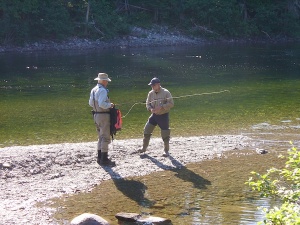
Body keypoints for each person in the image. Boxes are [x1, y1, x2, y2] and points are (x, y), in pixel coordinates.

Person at [138, 77, 174, 156]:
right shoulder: (150, 93)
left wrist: (161, 106)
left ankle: (166, 150)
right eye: (151, 85)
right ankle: (143, 148)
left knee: (165, 133)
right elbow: (147, 104)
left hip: (163, 116)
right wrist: (150, 109)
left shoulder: (166, 92)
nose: (152, 87)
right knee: (146, 130)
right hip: (154, 116)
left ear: (158, 84)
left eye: (154, 85)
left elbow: (171, 104)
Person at [89, 73, 115, 166]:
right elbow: (102, 104)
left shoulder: (93, 89)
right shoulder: (102, 90)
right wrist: (110, 105)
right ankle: (104, 159)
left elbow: (90, 103)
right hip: (103, 115)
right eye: (107, 81)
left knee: (100, 136)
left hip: (96, 115)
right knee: (105, 137)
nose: (107, 83)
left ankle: (99, 157)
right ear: (104, 81)